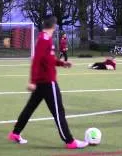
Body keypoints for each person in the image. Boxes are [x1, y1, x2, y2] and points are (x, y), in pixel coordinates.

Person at [8, 15, 88, 149]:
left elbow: (48, 60)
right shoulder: (44, 39)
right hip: (47, 82)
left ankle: (15, 133)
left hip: (42, 83)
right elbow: (36, 61)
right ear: (54, 26)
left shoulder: (46, 39)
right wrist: (32, 81)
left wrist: (62, 63)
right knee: (59, 112)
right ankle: (70, 141)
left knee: (30, 108)